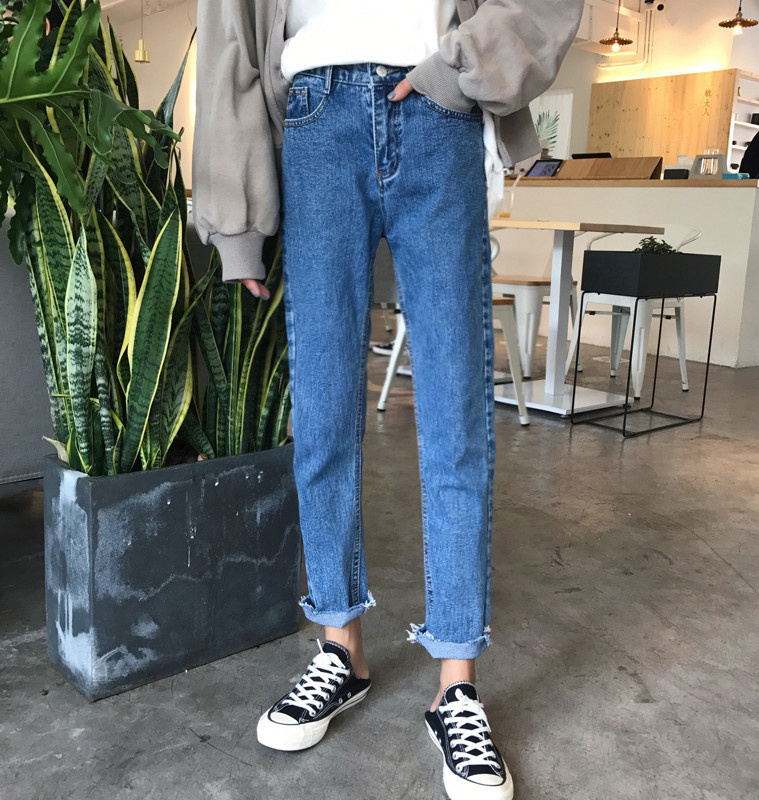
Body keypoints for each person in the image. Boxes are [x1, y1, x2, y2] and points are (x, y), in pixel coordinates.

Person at [194, 2, 582, 798]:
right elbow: (232, 41)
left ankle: (456, 686)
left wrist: (461, 68)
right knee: (324, 416)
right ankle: (342, 649)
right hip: (314, 126)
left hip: (439, 111)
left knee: (456, 418)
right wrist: (237, 222)